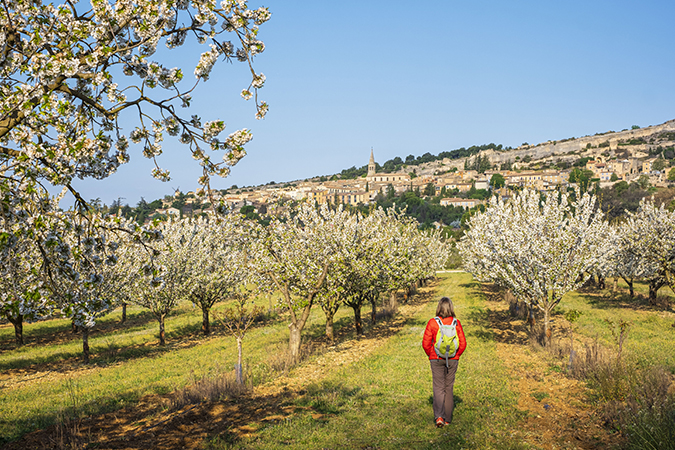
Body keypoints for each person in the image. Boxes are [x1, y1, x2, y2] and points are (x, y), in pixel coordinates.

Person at [422, 296, 467, 427]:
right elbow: (463, 343)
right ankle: (447, 419)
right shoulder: (456, 323)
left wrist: (431, 354)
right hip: (452, 359)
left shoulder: (432, 322)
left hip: (436, 358)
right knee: (449, 387)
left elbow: (426, 343)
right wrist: (456, 355)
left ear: (439, 308)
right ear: (451, 308)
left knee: (438, 387)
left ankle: (439, 417)